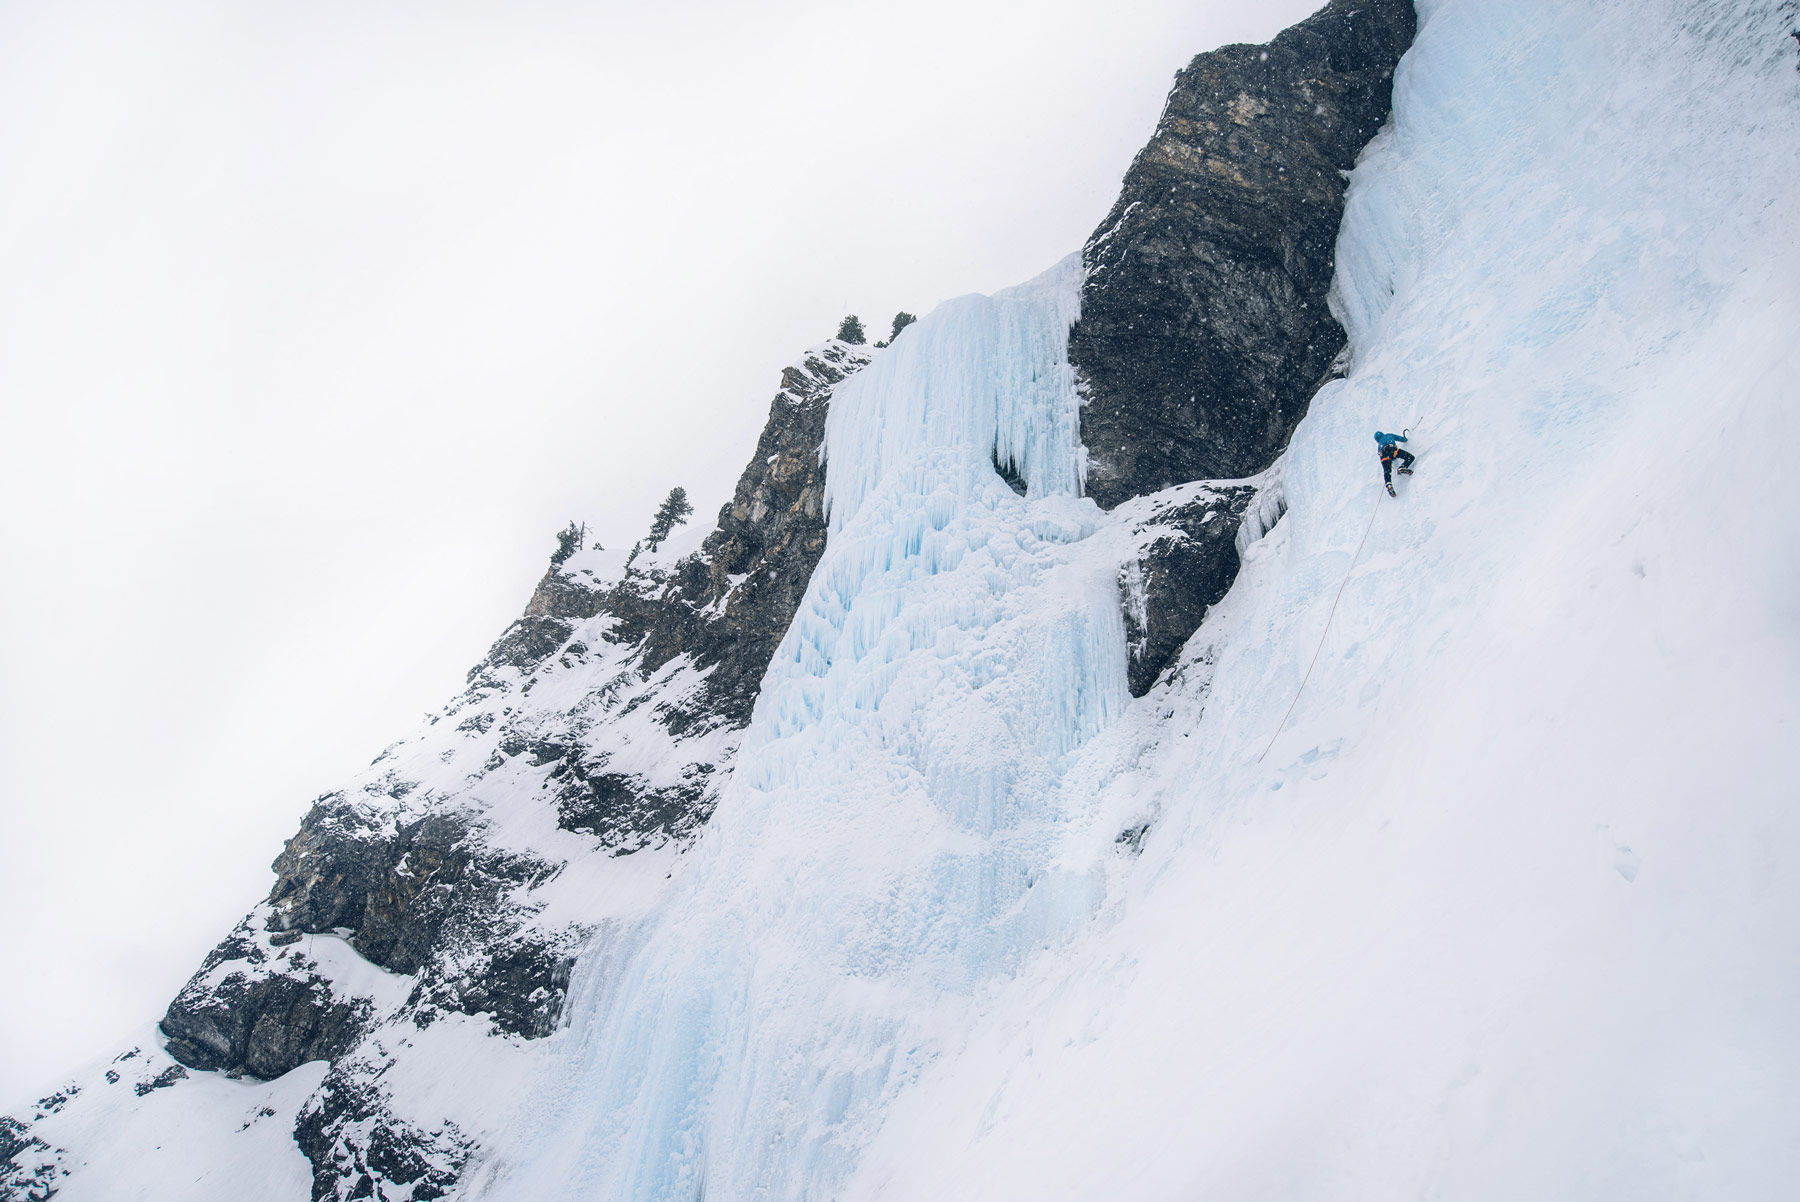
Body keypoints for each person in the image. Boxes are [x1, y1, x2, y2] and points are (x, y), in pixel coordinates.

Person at [1374, 430, 1414, 496]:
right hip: (1392, 450)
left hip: (1383, 456)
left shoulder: (1379, 446)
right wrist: (1405, 439)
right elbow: (1399, 438)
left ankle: (1388, 484)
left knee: (1387, 471)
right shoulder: (1388, 435)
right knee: (1410, 457)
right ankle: (1402, 467)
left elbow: (1380, 455)